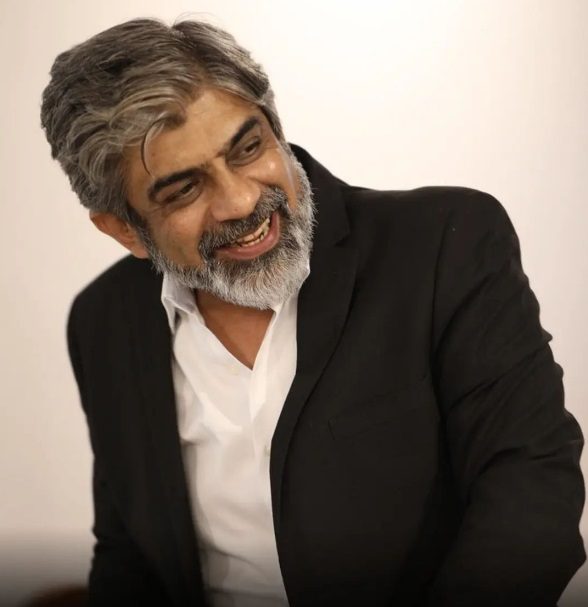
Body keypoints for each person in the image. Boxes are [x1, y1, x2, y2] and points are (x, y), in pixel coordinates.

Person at [40, 17, 585, 607]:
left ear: (275, 126)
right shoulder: (103, 321)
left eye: (248, 148)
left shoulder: (443, 246)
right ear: (124, 230)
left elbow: (532, 491)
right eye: (184, 190)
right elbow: (129, 554)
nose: (242, 201)